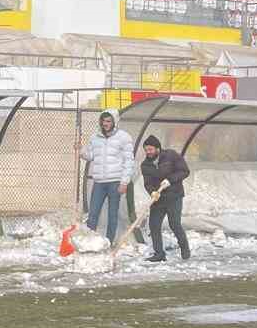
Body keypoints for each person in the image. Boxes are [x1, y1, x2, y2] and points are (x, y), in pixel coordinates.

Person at [79, 109, 134, 242]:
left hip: (116, 182)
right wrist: (81, 151)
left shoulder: (124, 137)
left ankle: (109, 242)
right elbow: (91, 156)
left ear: (114, 122)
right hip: (99, 182)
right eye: (103, 121)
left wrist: (124, 182)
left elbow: (129, 161)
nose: (105, 123)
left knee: (112, 214)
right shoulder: (95, 137)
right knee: (93, 214)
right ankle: (89, 241)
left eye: (108, 121)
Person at [139, 135, 191, 264]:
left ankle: (184, 247)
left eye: (150, 149)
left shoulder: (171, 155)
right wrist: (152, 192)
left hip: (174, 195)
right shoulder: (145, 165)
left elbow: (184, 171)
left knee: (174, 223)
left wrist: (170, 180)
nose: (148, 152)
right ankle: (159, 254)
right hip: (158, 199)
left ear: (157, 148)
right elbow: (147, 183)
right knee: (154, 225)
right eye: (146, 150)